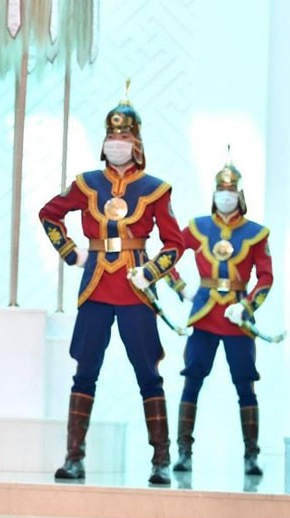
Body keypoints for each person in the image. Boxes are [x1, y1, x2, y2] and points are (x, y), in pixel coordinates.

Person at [38, 89, 185, 485]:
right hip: (96, 287)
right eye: (111, 137)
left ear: (136, 143)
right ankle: (74, 458)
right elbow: (49, 214)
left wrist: (151, 272)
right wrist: (70, 252)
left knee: (148, 374)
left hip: (136, 288)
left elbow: (175, 243)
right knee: (85, 372)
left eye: (124, 137)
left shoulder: (156, 188)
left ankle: (161, 459)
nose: (116, 143)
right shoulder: (86, 183)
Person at [166, 159, 273, 476]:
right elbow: (168, 255)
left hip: (237, 318)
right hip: (204, 315)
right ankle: (183, 452)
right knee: (192, 381)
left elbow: (266, 278)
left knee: (245, 385)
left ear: (240, 195)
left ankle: (251, 455)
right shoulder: (198, 227)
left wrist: (248, 307)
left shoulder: (256, 233)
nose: (226, 196)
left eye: (231, 190)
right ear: (214, 194)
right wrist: (180, 287)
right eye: (221, 190)